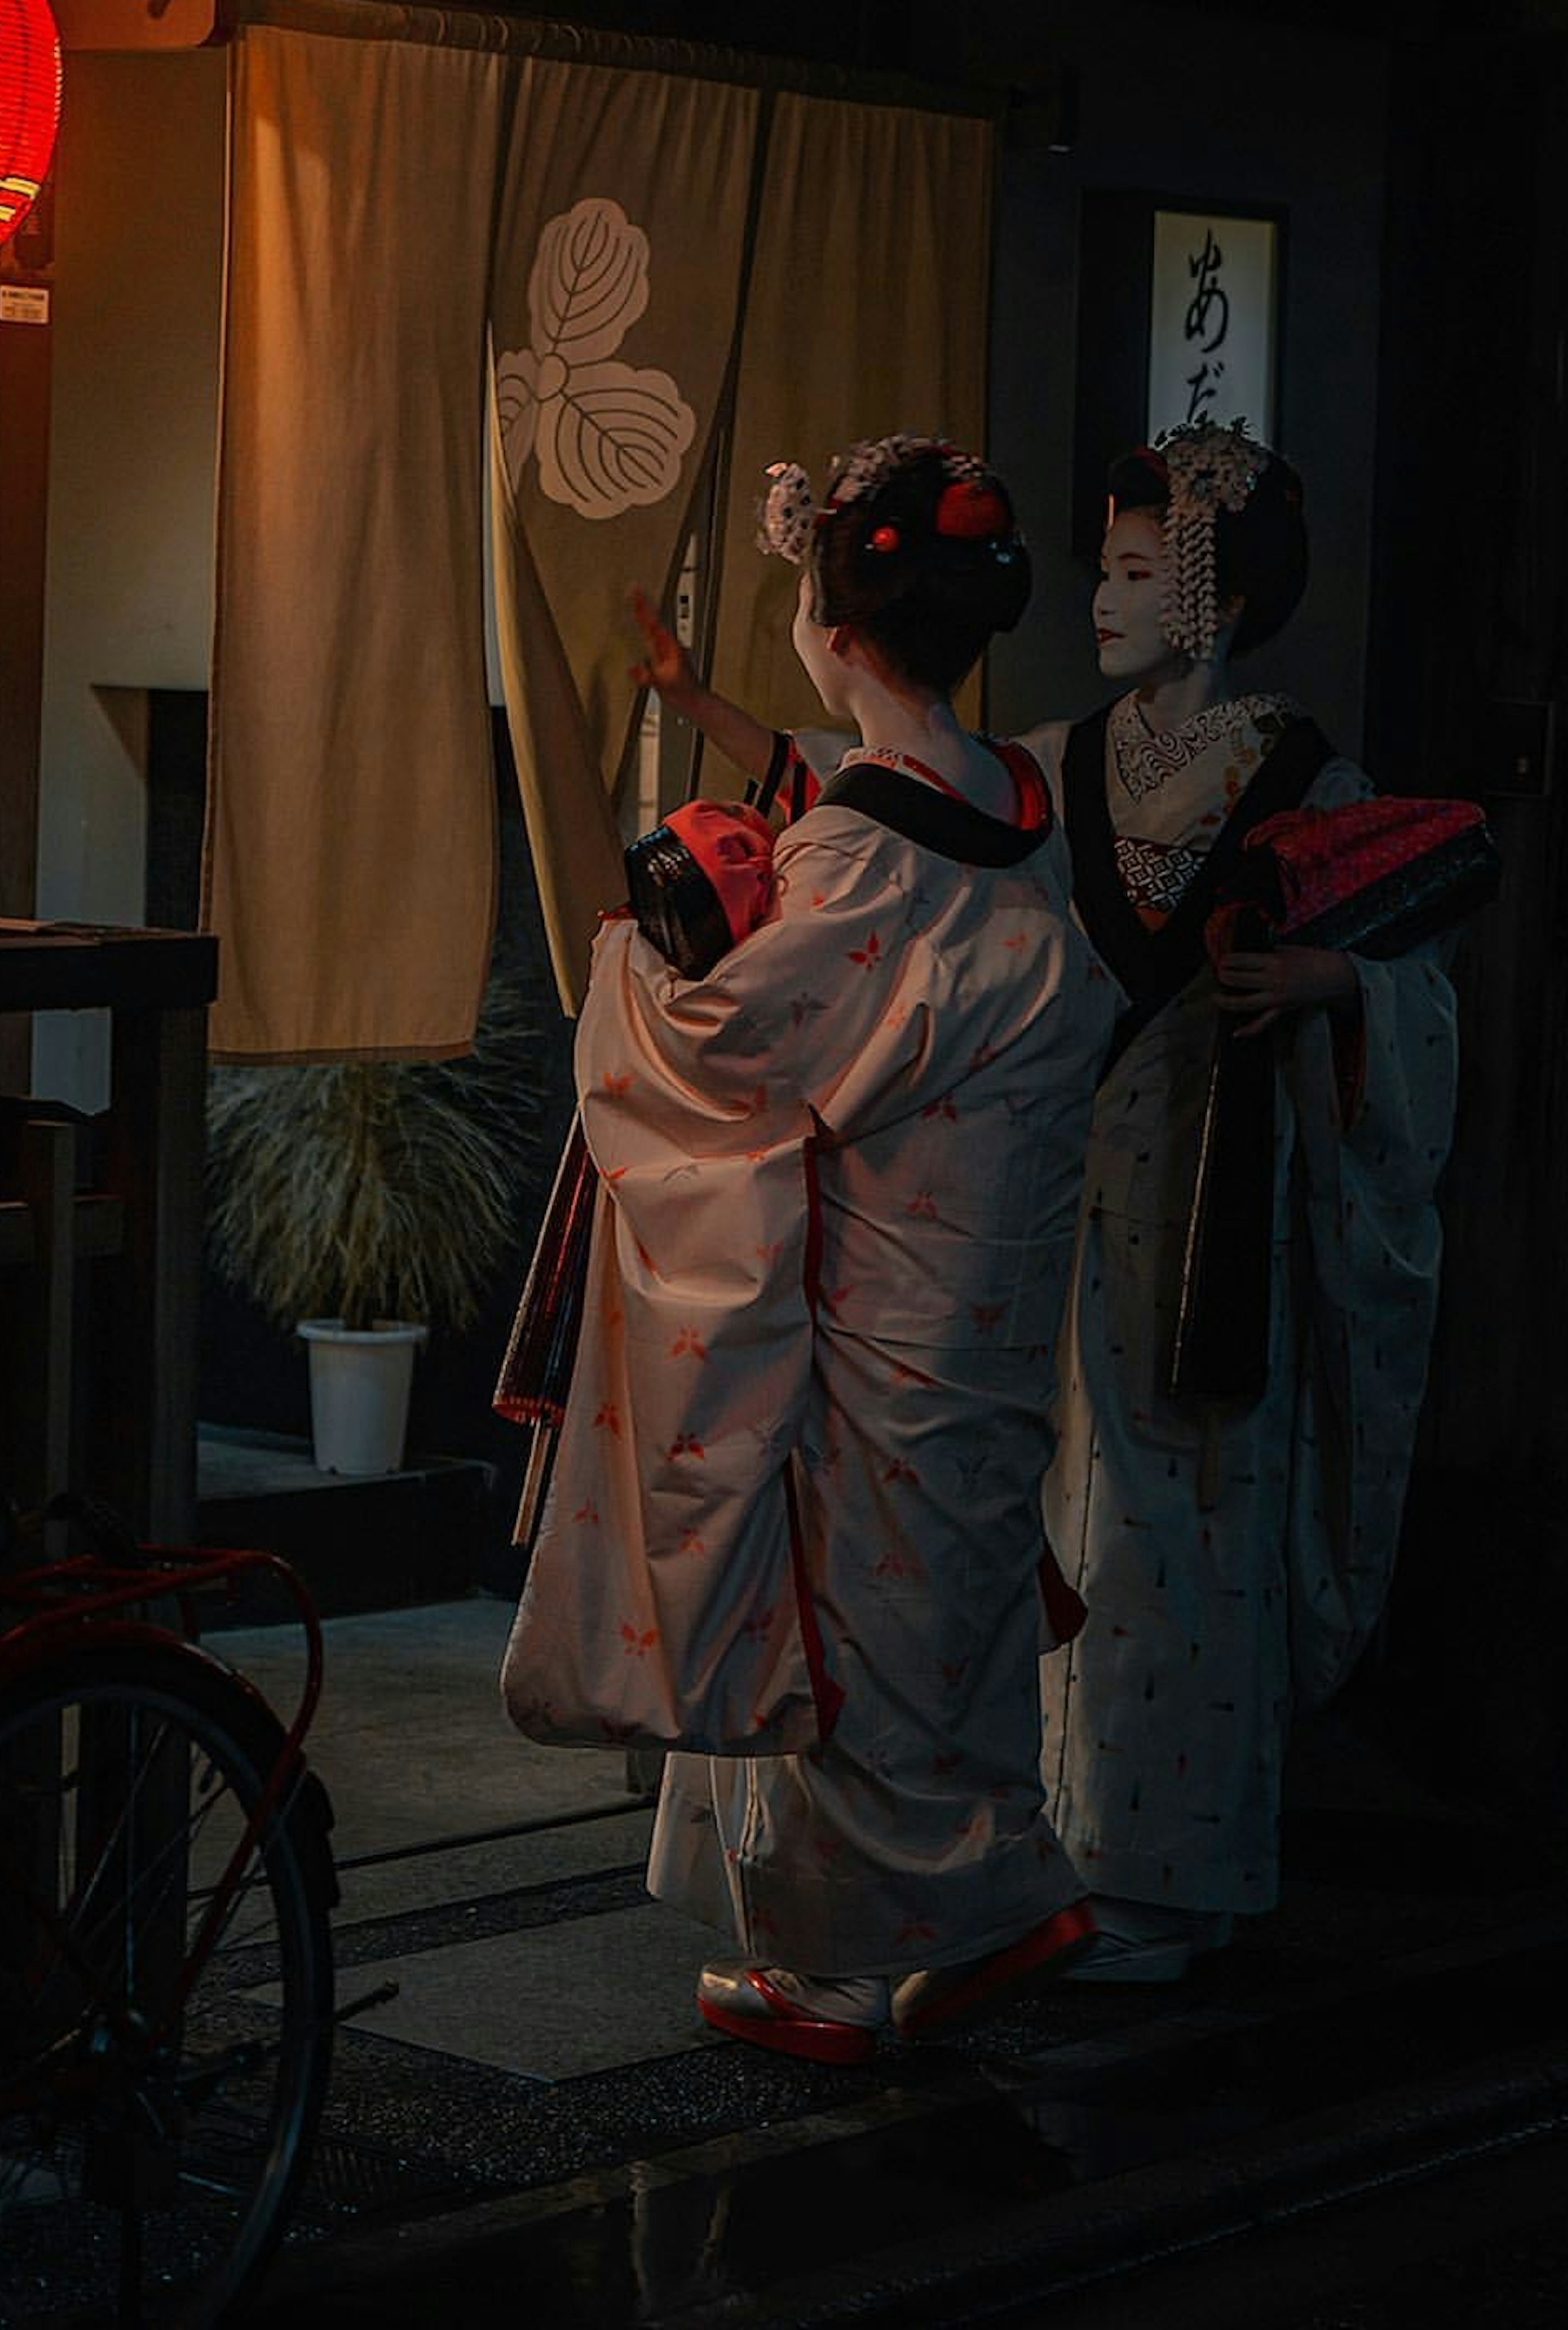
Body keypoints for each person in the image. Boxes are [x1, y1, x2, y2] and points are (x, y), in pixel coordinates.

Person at [631, 420, 1461, 1984]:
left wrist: (1336, 978)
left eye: (1140, 571)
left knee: (1165, 1530)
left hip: (1204, 1185)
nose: (1104, 596)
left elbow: (1415, 970)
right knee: (1010, 1530)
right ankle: (1009, 1876)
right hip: (1036, 1181)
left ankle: (1156, 1868)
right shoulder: (1053, 766)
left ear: (1209, 600)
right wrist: (707, 703)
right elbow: (884, 815)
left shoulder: (1301, 773)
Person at [500, 434, 1119, 2064]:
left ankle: (882, 1951)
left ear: (840, 633)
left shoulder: (857, 844)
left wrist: (630, 965)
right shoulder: (1016, 802)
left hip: (883, 1274)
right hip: (990, 1278)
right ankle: (976, 1888)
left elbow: (735, 1053)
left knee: (852, 1614)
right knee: (963, 1577)